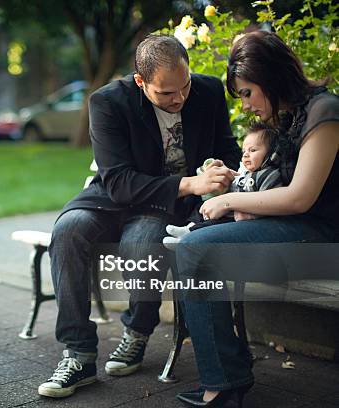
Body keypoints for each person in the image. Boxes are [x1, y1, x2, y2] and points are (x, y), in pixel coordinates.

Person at [37, 34, 242, 398]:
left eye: (185, 86)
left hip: (161, 205)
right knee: (67, 231)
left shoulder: (208, 92)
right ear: (140, 81)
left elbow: (227, 148)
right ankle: (79, 355)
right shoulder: (107, 102)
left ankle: (136, 333)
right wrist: (191, 184)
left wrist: (224, 169)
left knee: (142, 243)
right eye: (166, 93)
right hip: (111, 196)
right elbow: (117, 181)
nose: (178, 99)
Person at [174, 30, 339, 407]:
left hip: (324, 235)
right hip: (299, 228)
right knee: (195, 243)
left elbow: (300, 197)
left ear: (269, 78)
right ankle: (227, 374)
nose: (245, 105)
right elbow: (275, 186)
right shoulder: (292, 116)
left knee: (196, 251)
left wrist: (230, 201)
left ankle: (224, 382)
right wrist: (235, 183)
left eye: (247, 92)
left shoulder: (324, 112)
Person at [163, 121, 282, 247]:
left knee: (215, 223)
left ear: (271, 154)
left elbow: (269, 202)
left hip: (237, 215)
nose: (246, 154)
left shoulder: (268, 175)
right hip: (228, 209)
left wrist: (251, 214)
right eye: (244, 151)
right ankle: (188, 228)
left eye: (252, 150)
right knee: (201, 208)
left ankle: (185, 238)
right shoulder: (244, 173)